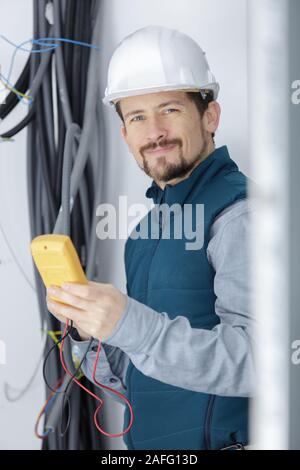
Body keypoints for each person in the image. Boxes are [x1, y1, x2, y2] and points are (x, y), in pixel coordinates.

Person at [46, 25, 255, 450]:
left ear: (210, 116)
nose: (154, 131)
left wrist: (131, 325)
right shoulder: (145, 235)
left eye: (170, 110)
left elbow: (257, 362)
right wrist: (89, 333)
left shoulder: (241, 215)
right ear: (125, 135)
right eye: (137, 117)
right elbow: (134, 372)